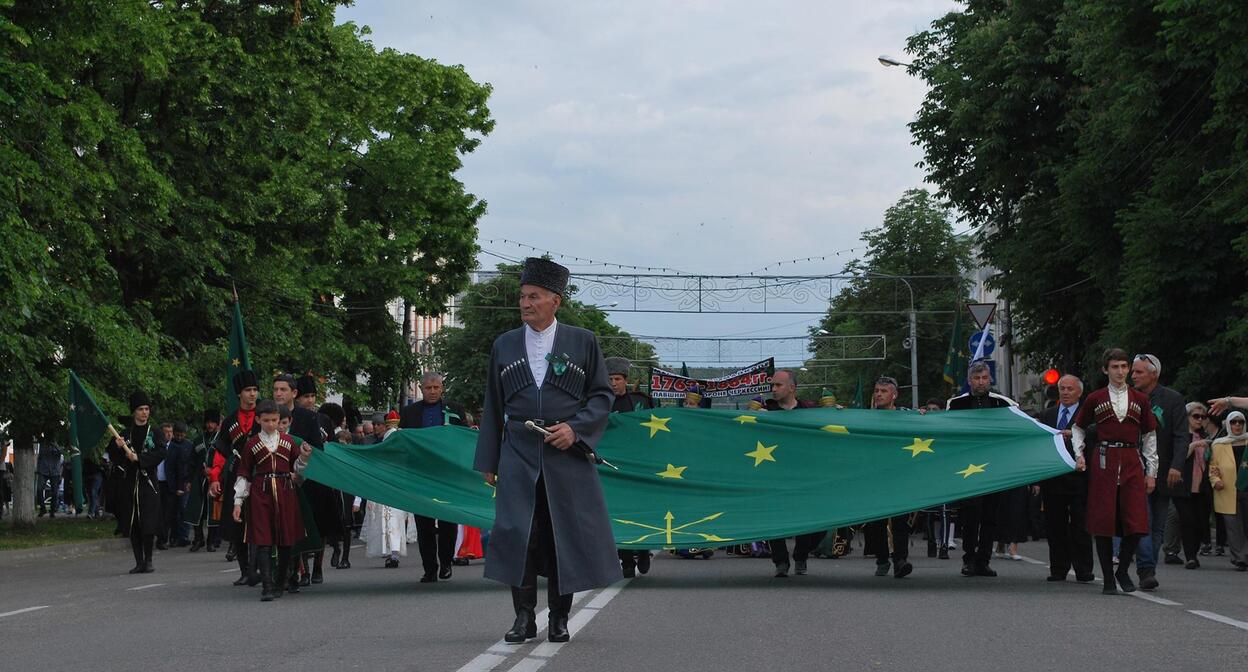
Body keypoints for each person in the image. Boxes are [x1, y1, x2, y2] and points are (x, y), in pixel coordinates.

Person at [474, 257, 619, 644]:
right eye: (522, 296)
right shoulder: (504, 344)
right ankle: (523, 617)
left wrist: (576, 429)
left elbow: (602, 396)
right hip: (518, 452)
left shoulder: (583, 341)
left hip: (564, 454)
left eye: (534, 297)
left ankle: (559, 617)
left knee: (561, 534)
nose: (525, 303)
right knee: (518, 533)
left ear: (556, 300)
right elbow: (493, 404)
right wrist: (489, 459)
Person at [1071, 348, 1158, 594]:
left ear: (1128, 368)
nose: (1120, 372)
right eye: (1114, 367)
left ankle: (1122, 570)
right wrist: (1079, 454)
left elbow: (1150, 436)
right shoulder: (1095, 398)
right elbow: (1078, 428)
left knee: (1137, 521)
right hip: (1104, 459)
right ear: (1105, 370)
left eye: (1123, 366)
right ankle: (1109, 578)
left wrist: (1152, 471)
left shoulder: (1140, 399)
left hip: (1131, 459)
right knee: (1104, 521)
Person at [946, 361, 1017, 577]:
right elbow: (945, 430)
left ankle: (983, 560)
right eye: (976, 378)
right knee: (970, 513)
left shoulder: (1003, 404)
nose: (980, 382)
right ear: (969, 381)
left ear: (990, 380)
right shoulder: (956, 404)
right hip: (967, 467)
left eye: (984, 378)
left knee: (990, 515)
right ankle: (969, 559)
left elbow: (1018, 428)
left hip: (993, 466)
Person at [233, 400, 307, 601]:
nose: (271, 424)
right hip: (261, 493)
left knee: (286, 540)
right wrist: (238, 502)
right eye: (266, 420)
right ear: (258, 420)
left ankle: (280, 582)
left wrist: (304, 459)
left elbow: (298, 469)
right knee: (263, 540)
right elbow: (244, 474)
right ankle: (267, 586)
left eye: (274, 420)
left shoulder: (288, 441)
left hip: (285, 492)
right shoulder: (251, 444)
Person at [400, 372, 468, 582]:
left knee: (448, 520)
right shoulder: (410, 412)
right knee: (424, 524)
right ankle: (429, 568)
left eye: (436, 388)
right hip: (420, 476)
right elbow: (403, 442)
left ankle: (446, 562)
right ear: (421, 389)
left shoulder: (455, 410)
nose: (432, 392)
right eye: (428, 388)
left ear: (442, 388)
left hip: (447, 475)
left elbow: (465, 439)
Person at [1039, 375, 1095, 582]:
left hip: (1080, 478)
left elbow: (1096, 437)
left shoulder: (1088, 414)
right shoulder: (1048, 414)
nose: (1065, 392)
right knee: (1055, 525)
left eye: (1070, 389)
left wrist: (1076, 435)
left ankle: (1083, 569)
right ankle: (1058, 568)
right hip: (1053, 478)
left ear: (1079, 392)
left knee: (1081, 525)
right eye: (1062, 388)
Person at [604, 356, 656, 578]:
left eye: (617, 379)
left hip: (639, 465)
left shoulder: (640, 402)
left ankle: (643, 551)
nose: (613, 383)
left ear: (625, 380)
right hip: (612, 467)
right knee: (617, 513)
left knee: (640, 510)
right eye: (610, 379)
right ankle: (625, 559)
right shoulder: (599, 403)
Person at [211, 369, 262, 585]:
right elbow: (221, 452)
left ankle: (258, 568)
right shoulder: (230, 421)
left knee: (259, 523)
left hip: (260, 474)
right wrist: (215, 477)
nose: (252, 394)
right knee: (237, 524)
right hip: (238, 475)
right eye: (248, 390)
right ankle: (244, 571)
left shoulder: (265, 415)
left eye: (255, 390)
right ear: (239, 393)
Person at [108, 391, 166, 574]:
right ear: (134, 411)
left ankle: (148, 560)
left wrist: (139, 458)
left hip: (148, 483)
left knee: (148, 523)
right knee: (133, 523)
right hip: (130, 484)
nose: (144, 412)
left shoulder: (155, 433)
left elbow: (161, 453)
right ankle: (139, 561)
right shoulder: (125, 434)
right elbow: (113, 456)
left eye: (147, 409)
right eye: (141, 409)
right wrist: (117, 447)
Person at [863, 377, 915, 578]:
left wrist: (923, 416)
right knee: (877, 522)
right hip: (875, 477)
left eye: (883, 391)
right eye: (876, 390)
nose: (878, 394)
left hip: (900, 475)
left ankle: (900, 561)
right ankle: (882, 559)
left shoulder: (906, 415)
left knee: (900, 520)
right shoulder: (866, 417)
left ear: (894, 395)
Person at [1208, 411, 1247, 571]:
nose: (1237, 425)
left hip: (1246, 488)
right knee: (1232, 526)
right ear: (1228, 424)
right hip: (1228, 489)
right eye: (1233, 422)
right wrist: (1215, 480)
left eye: (1240, 422)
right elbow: (1213, 467)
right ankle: (1240, 558)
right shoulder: (1218, 445)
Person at [186, 410, 221, 552]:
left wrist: (214, 471)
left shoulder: (222, 439)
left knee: (213, 511)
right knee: (196, 509)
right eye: (208, 422)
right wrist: (189, 480)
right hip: (199, 479)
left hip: (215, 479)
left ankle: (211, 541)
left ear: (217, 424)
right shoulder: (198, 440)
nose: (210, 425)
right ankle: (198, 538)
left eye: (213, 422)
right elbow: (192, 461)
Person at [36, 439, 62, 518]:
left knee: (55, 492)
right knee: (39, 489)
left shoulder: (57, 443)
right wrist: (38, 468)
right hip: (43, 470)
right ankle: (42, 508)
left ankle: (52, 511)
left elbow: (61, 453)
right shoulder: (43, 443)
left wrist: (55, 445)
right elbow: (40, 456)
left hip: (55, 471)